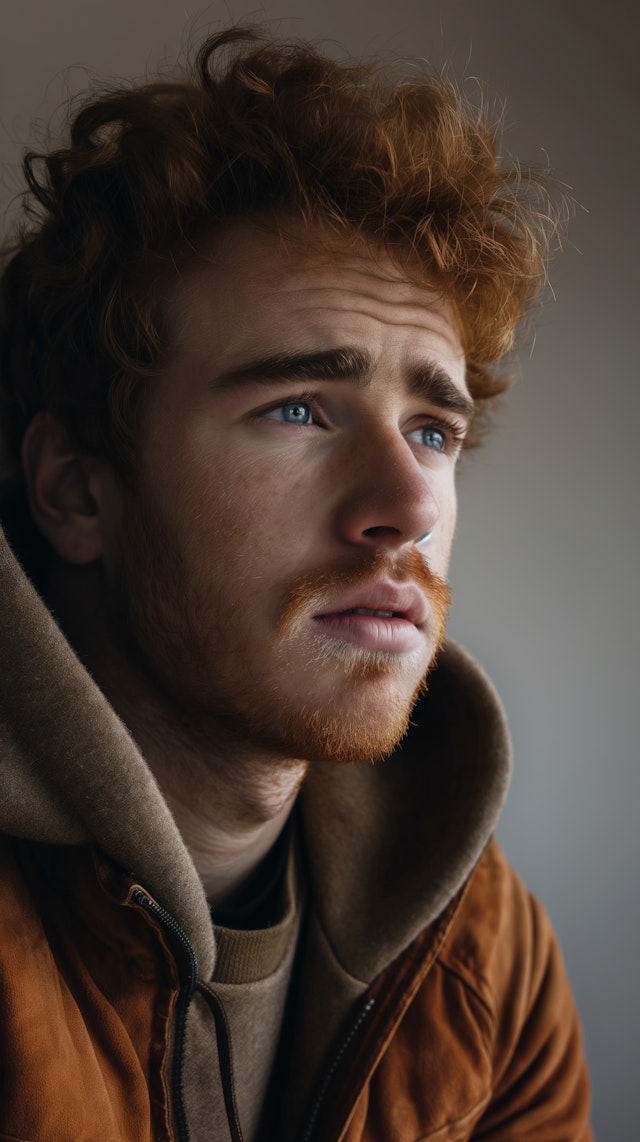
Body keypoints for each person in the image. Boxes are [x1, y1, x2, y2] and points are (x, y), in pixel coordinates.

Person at [0, 26, 591, 1142]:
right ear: (77, 490)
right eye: (297, 408)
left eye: (430, 429)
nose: (407, 507)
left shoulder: (483, 945)